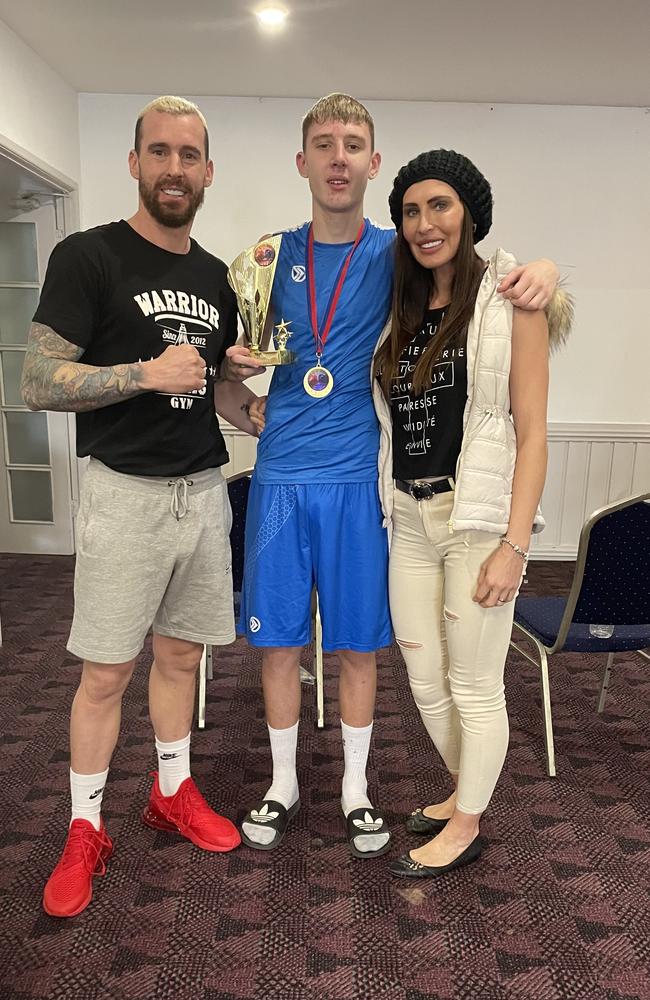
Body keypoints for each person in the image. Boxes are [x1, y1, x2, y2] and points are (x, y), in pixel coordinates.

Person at [237, 94, 560, 858]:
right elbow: (237, 371)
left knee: (362, 648)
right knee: (284, 645)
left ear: (371, 161)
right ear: (303, 161)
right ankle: (284, 785)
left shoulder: (395, 254)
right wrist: (234, 392)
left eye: (354, 144)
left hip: (362, 484)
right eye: (324, 143)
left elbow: (499, 282)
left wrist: (549, 273)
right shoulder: (264, 259)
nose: (339, 156)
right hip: (291, 479)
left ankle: (357, 791)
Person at [21, 95, 259, 917]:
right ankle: (84, 827)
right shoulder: (89, 257)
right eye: (158, 152)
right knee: (105, 672)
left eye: (188, 156)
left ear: (207, 173)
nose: (173, 169)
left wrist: (260, 404)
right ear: (134, 163)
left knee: (181, 660)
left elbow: (216, 392)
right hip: (122, 494)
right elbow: (37, 380)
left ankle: (171, 791)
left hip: (203, 489)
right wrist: (141, 374)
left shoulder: (218, 277)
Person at [372, 149, 569, 879]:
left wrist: (515, 545)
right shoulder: (396, 309)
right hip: (408, 515)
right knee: (424, 678)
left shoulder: (511, 300)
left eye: (440, 205)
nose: (425, 223)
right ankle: (466, 792)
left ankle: (468, 822)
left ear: (470, 214)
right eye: (411, 210)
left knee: (475, 683)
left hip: (477, 519)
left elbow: (533, 431)